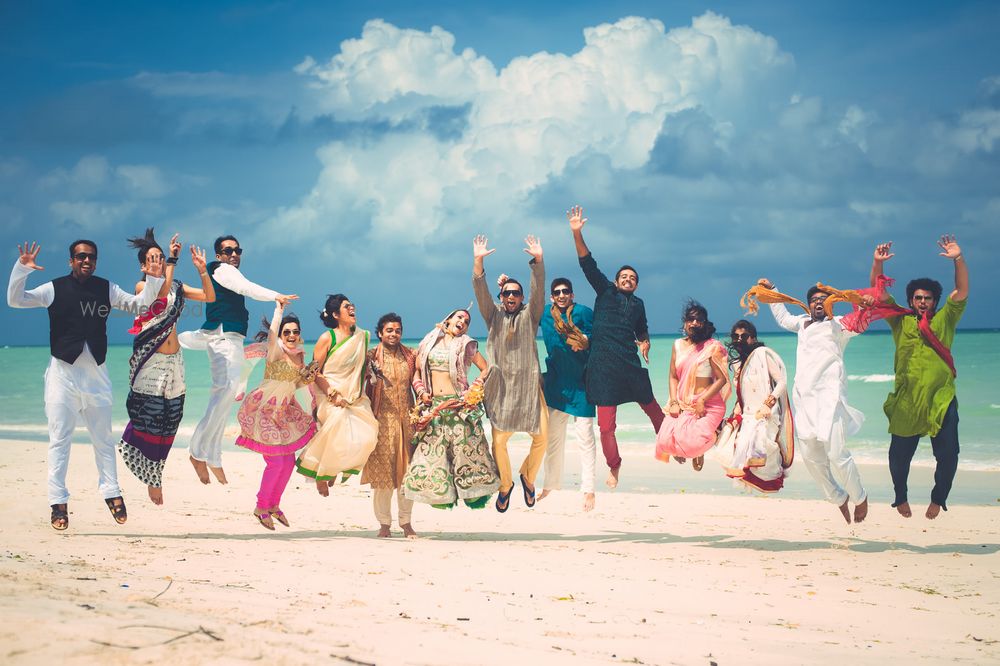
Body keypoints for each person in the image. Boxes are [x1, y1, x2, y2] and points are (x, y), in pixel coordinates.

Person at [8, 239, 164, 530]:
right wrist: (22, 269)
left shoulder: (106, 288)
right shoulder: (53, 288)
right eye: (80, 256)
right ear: (71, 260)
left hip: (96, 375)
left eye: (91, 257)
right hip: (61, 376)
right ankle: (58, 503)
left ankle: (112, 492)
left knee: (103, 440)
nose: (86, 261)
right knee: (59, 441)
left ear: (96, 260)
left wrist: (154, 279)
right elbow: (16, 300)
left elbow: (139, 305)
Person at [178, 235, 296, 486]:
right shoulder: (221, 269)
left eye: (237, 250)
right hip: (222, 337)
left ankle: (212, 456)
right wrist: (276, 295)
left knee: (225, 396)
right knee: (223, 394)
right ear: (218, 255)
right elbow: (248, 288)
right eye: (227, 250)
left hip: (230, 338)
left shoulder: (223, 271)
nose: (233, 254)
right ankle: (197, 452)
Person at [870, 237, 968, 519]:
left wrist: (957, 259)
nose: (923, 301)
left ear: (935, 301)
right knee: (898, 458)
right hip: (907, 400)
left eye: (927, 298)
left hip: (941, 399)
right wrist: (878, 263)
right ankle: (900, 495)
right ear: (911, 300)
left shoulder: (945, 319)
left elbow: (961, 290)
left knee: (949, 455)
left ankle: (939, 498)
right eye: (918, 297)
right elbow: (879, 293)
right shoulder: (899, 320)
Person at [567, 205, 664, 488]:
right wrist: (577, 232)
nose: (628, 280)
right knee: (606, 426)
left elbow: (642, 328)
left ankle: (670, 444)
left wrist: (645, 341)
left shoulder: (639, 304)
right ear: (616, 280)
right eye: (624, 276)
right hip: (602, 368)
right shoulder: (605, 291)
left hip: (629, 365)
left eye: (633, 278)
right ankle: (615, 465)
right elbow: (587, 263)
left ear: (636, 285)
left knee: (654, 410)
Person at [759, 277, 869, 524]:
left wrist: (862, 304)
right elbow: (782, 316)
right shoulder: (801, 324)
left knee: (837, 455)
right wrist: (772, 289)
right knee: (811, 458)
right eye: (814, 300)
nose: (819, 303)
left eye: (823, 299)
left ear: (831, 303)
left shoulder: (839, 325)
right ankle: (838, 497)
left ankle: (860, 497)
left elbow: (861, 323)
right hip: (804, 401)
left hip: (831, 401)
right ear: (808, 306)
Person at [119, 230, 215, 505]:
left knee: (171, 419)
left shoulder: (177, 286)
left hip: (175, 363)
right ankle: (152, 479)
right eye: (152, 259)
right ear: (142, 266)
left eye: (160, 258)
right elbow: (159, 299)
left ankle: (156, 471)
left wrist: (201, 271)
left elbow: (209, 297)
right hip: (151, 361)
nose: (157, 262)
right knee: (150, 417)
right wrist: (173, 258)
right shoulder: (142, 288)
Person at [472, 234, 548, 512]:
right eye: (507, 293)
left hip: (529, 388)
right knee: (499, 442)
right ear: (501, 297)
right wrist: (478, 261)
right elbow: (481, 293)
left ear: (522, 298)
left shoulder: (531, 316)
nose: (512, 297)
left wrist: (538, 261)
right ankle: (506, 485)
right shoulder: (493, 317)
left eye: (517, 293)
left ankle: (528, 476)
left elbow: (539, 292)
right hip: (501, 390)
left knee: (541, 437)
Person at [402, 308, 500, 509]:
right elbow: (417, 374)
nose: (463, 321)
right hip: (435, 409)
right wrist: (421, 393)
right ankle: (439, 497)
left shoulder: (467, 345)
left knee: (465, 453)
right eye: (460, 317)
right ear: (448, 320)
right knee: (432, 455)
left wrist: (474, 388)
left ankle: (474, 496)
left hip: (457, 407)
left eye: (467, 321)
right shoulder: (428, 343)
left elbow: (486, 368)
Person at [236, 303, 317, 530]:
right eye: (287, 332)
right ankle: (261, 506)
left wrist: (310, 385)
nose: (291, 335)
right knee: (276, 461)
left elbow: (296, 383)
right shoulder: (276, 350)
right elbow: (272, 332)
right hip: (263, 409)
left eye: (295, 331)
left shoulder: (300, 355)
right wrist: (278, 310)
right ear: (281, 335)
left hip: (283, 411)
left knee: (288, 462)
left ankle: (273, 505)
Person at [296, 294, 378, 491]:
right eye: (346, 306)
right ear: (335, 314)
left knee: (369, 436)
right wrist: (333, 394)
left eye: (352, 305)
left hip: (355, 397)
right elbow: (316, 372)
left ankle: (334, 469)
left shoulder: (363, 336)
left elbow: (360, 365)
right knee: (337, 431)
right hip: (330, 395)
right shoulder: (327, 338)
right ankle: (321, 475)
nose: (352, 309)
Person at [538, 277, 598, 511]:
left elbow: (598, 336)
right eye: (557, 292)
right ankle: (550, 484)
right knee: (553, 437)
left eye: (566, 291)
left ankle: (589, 489)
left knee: (586, 438)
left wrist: (584, 340)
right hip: (556, 384)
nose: (561, 295)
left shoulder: (584, 312)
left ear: (572, 294)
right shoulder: (544, 314)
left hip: (582, 384)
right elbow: (516, 313)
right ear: (552, 296)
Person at [718, 320, 793, 492]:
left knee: (760, 445)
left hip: (766, 413)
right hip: (748, 415)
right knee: (735, 447)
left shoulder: (762, 355)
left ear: (753, 338)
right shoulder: (738, 364)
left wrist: (769, 403)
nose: (739, 339)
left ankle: (774, 479)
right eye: (735, 336)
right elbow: (743, 394)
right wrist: (735, 412)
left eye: (744, 336)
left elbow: (781, 381)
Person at [655, 300, 730, 470]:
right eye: (691, 319)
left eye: (699, 320)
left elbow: (721, 379)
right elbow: (673, 377)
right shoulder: (677, 345)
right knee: (664, 442)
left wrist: (702, 400)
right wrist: (674, 402)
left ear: (704, 324)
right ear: (685, 322)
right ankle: (696, 448)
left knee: (692, 445)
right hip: (682, 403)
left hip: (708, 404)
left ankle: (715, 434)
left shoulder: (712, 347)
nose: (694, 323)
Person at [363, 313, 418, 538]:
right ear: (380, 333)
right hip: (380, 421)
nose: (394, 334)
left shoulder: (410, 356)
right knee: (383, 475)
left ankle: (406, 522)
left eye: (397, 330)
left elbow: (420, 381)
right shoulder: (371, 356)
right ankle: (384, 524)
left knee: (407, 473)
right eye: (389, 330)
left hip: (407, 420)